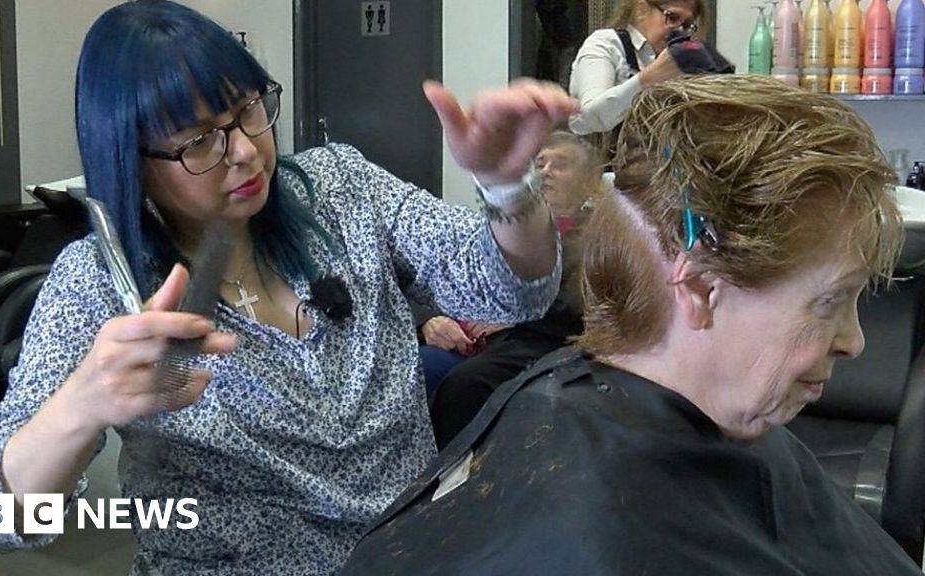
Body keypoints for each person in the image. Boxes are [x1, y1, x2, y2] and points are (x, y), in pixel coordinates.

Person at [0, 1, 572, 574]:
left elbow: (513, 294)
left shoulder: (341, 190)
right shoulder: (98, 283)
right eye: (200, 141)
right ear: (132, 159)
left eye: (249, 109)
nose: (247, 152)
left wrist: (505, 187)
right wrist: (81, 405)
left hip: (404, 553)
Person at [341, 75, 922, 575]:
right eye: (829, 303)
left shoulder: (667, 431)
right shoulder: (599, 521)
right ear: (696, 288)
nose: (854, 342)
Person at [424, 132, 604, 448]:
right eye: (540, 164)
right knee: (415, 367)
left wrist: (517, 315)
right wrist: (430, 321)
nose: (546, 171)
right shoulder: (501, 224)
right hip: (468, 338)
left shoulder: (598, 234)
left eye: (560, 165)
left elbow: (587, 308)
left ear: (590, 182)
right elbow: (446, 276)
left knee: (466, 385)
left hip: (542, 342)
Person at [567, 0, 705, 136]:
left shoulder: (682, 64)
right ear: (642, 10)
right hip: (595, 156)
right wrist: (647, 78)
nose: (679, 30)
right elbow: (591, 116)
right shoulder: (606, 44)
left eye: (687, 25)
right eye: (672, 17)